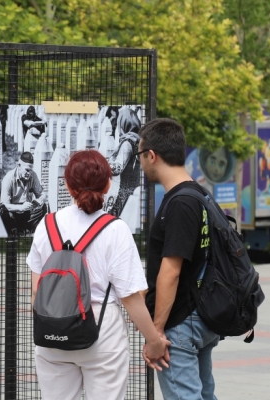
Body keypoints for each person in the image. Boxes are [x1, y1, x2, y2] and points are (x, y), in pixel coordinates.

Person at [27, 150, 170, 400]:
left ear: (68, 185)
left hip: (52, 332)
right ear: (107, 184)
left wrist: (56, 322)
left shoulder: (46, 225)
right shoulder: (115, 229)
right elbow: (130, 297)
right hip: (101, 332)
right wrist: (154, 341)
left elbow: (37, 291)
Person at [137, 119, 219, 400]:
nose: (141, 163)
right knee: (204, 394)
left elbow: (170, 271)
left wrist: (156, 333)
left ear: (152, 155)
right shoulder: (199, 195)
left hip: (182, 323)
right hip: (199, 316)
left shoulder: (180, 202)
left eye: (140, 155)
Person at [0, 151, 48, 235]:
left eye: (31, 170)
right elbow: (4, 205)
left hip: (27, 211)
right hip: (13, 211)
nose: (29, 173)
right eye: (27, 170)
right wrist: (21, 208)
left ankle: (25, 227)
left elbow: (42, 194)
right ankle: (17, 228)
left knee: (43, 208)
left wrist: (38, 201)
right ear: (19, 166)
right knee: (5, 213)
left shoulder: (33, 175)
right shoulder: (8, 178)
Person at [107, 107, 142, 216]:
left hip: (122, 193)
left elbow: (118, 168)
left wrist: (101, 164)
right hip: (131, 189)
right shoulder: (138, 140)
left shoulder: (128, 143)